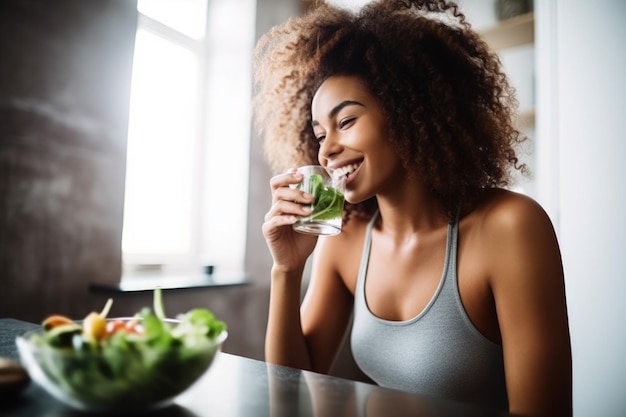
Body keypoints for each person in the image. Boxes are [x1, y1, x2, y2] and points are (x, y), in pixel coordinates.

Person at [252, 1, 572, 416]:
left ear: (405, 111)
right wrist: (287, 270)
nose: (326, 149)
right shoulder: (344, 239)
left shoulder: (510, 227)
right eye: (319, 133)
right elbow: (291, 392)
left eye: (346, 122)